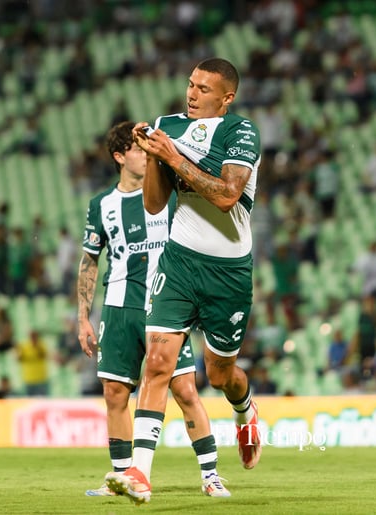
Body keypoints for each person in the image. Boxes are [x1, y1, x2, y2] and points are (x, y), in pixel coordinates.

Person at [105, 58, 262, 504]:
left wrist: (171, 155)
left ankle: (244, 409)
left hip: (229, 272)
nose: (191, 93)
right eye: (190, 84)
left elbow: (228, 195)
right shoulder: (167, 126)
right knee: (157, 362)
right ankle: (139, 473)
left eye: (204, 89)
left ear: (226, 98)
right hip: (177, 265)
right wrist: (155, 157)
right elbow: (155, 206)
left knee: (219, 372)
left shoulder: (241, 132)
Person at [77, 121, 229, 498]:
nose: (146, 155)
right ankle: (120, 477)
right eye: (138, 149)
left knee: (185, 390)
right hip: (119, 306)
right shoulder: (102, 205)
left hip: (165, 303)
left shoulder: (172, 195)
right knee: (114, 392)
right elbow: (90, 262)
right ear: (119, 156)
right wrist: (83, 316)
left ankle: (210, 476)